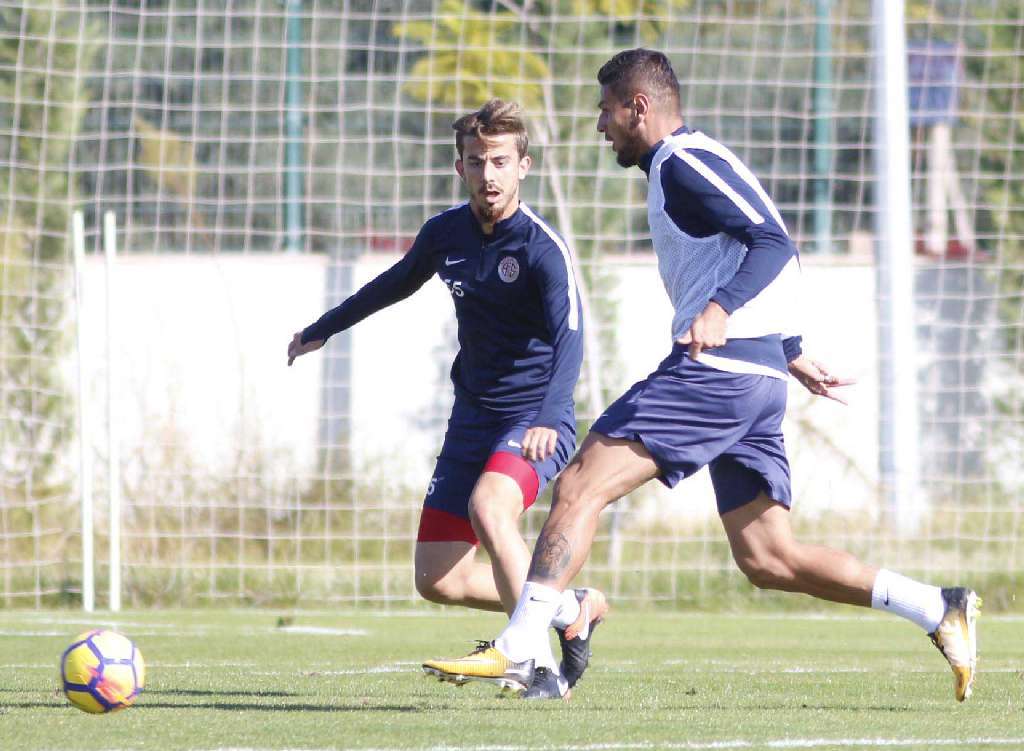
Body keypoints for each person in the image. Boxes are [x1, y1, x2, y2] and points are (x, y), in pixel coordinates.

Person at [422, 49, 980, 702]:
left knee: (578, 484)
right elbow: (755, 242)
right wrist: (787, 347)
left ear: (639, 107)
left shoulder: (682, 160)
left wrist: (722, 310)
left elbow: (773, 240)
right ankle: (936, 606)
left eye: (607, 111)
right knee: (768, 557)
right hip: (754, 373)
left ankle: (522, 647)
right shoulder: (680, 166)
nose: (601, 126)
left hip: (718, 371)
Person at [288, 99, 607, 693]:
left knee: (491, 508)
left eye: (501, 162)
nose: (489, 174)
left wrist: (546, 414)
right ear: (460, 167)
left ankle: (534, 665)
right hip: (472, 419)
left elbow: (571, 336)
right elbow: (393, 283)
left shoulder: (542, 248)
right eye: (477, 162)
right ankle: (569, 607)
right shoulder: (446, 234)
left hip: (536, 417)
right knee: (438, 578)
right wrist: (322, 328)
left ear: (524, 166)